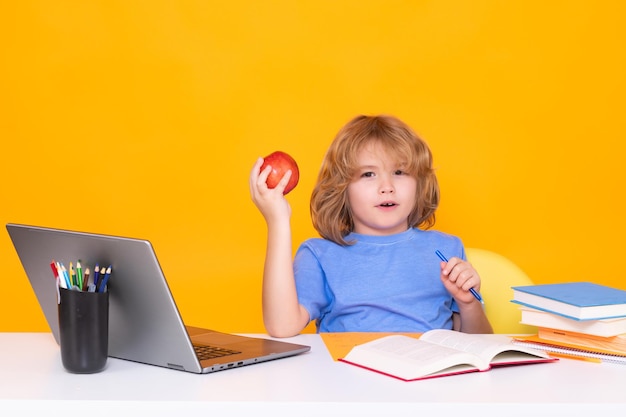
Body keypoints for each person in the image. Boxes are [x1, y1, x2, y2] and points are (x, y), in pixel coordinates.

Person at [249, 115, 493, 337]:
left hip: (429, 381)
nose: (387, 186)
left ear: (419, 183)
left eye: (399, 171)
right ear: (341, 188)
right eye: (368, 174)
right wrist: (278, 221)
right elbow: (282, 327)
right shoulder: (320, 255)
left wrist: (468, 303)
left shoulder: (446, 248)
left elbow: (476, 344)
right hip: (348, 382)